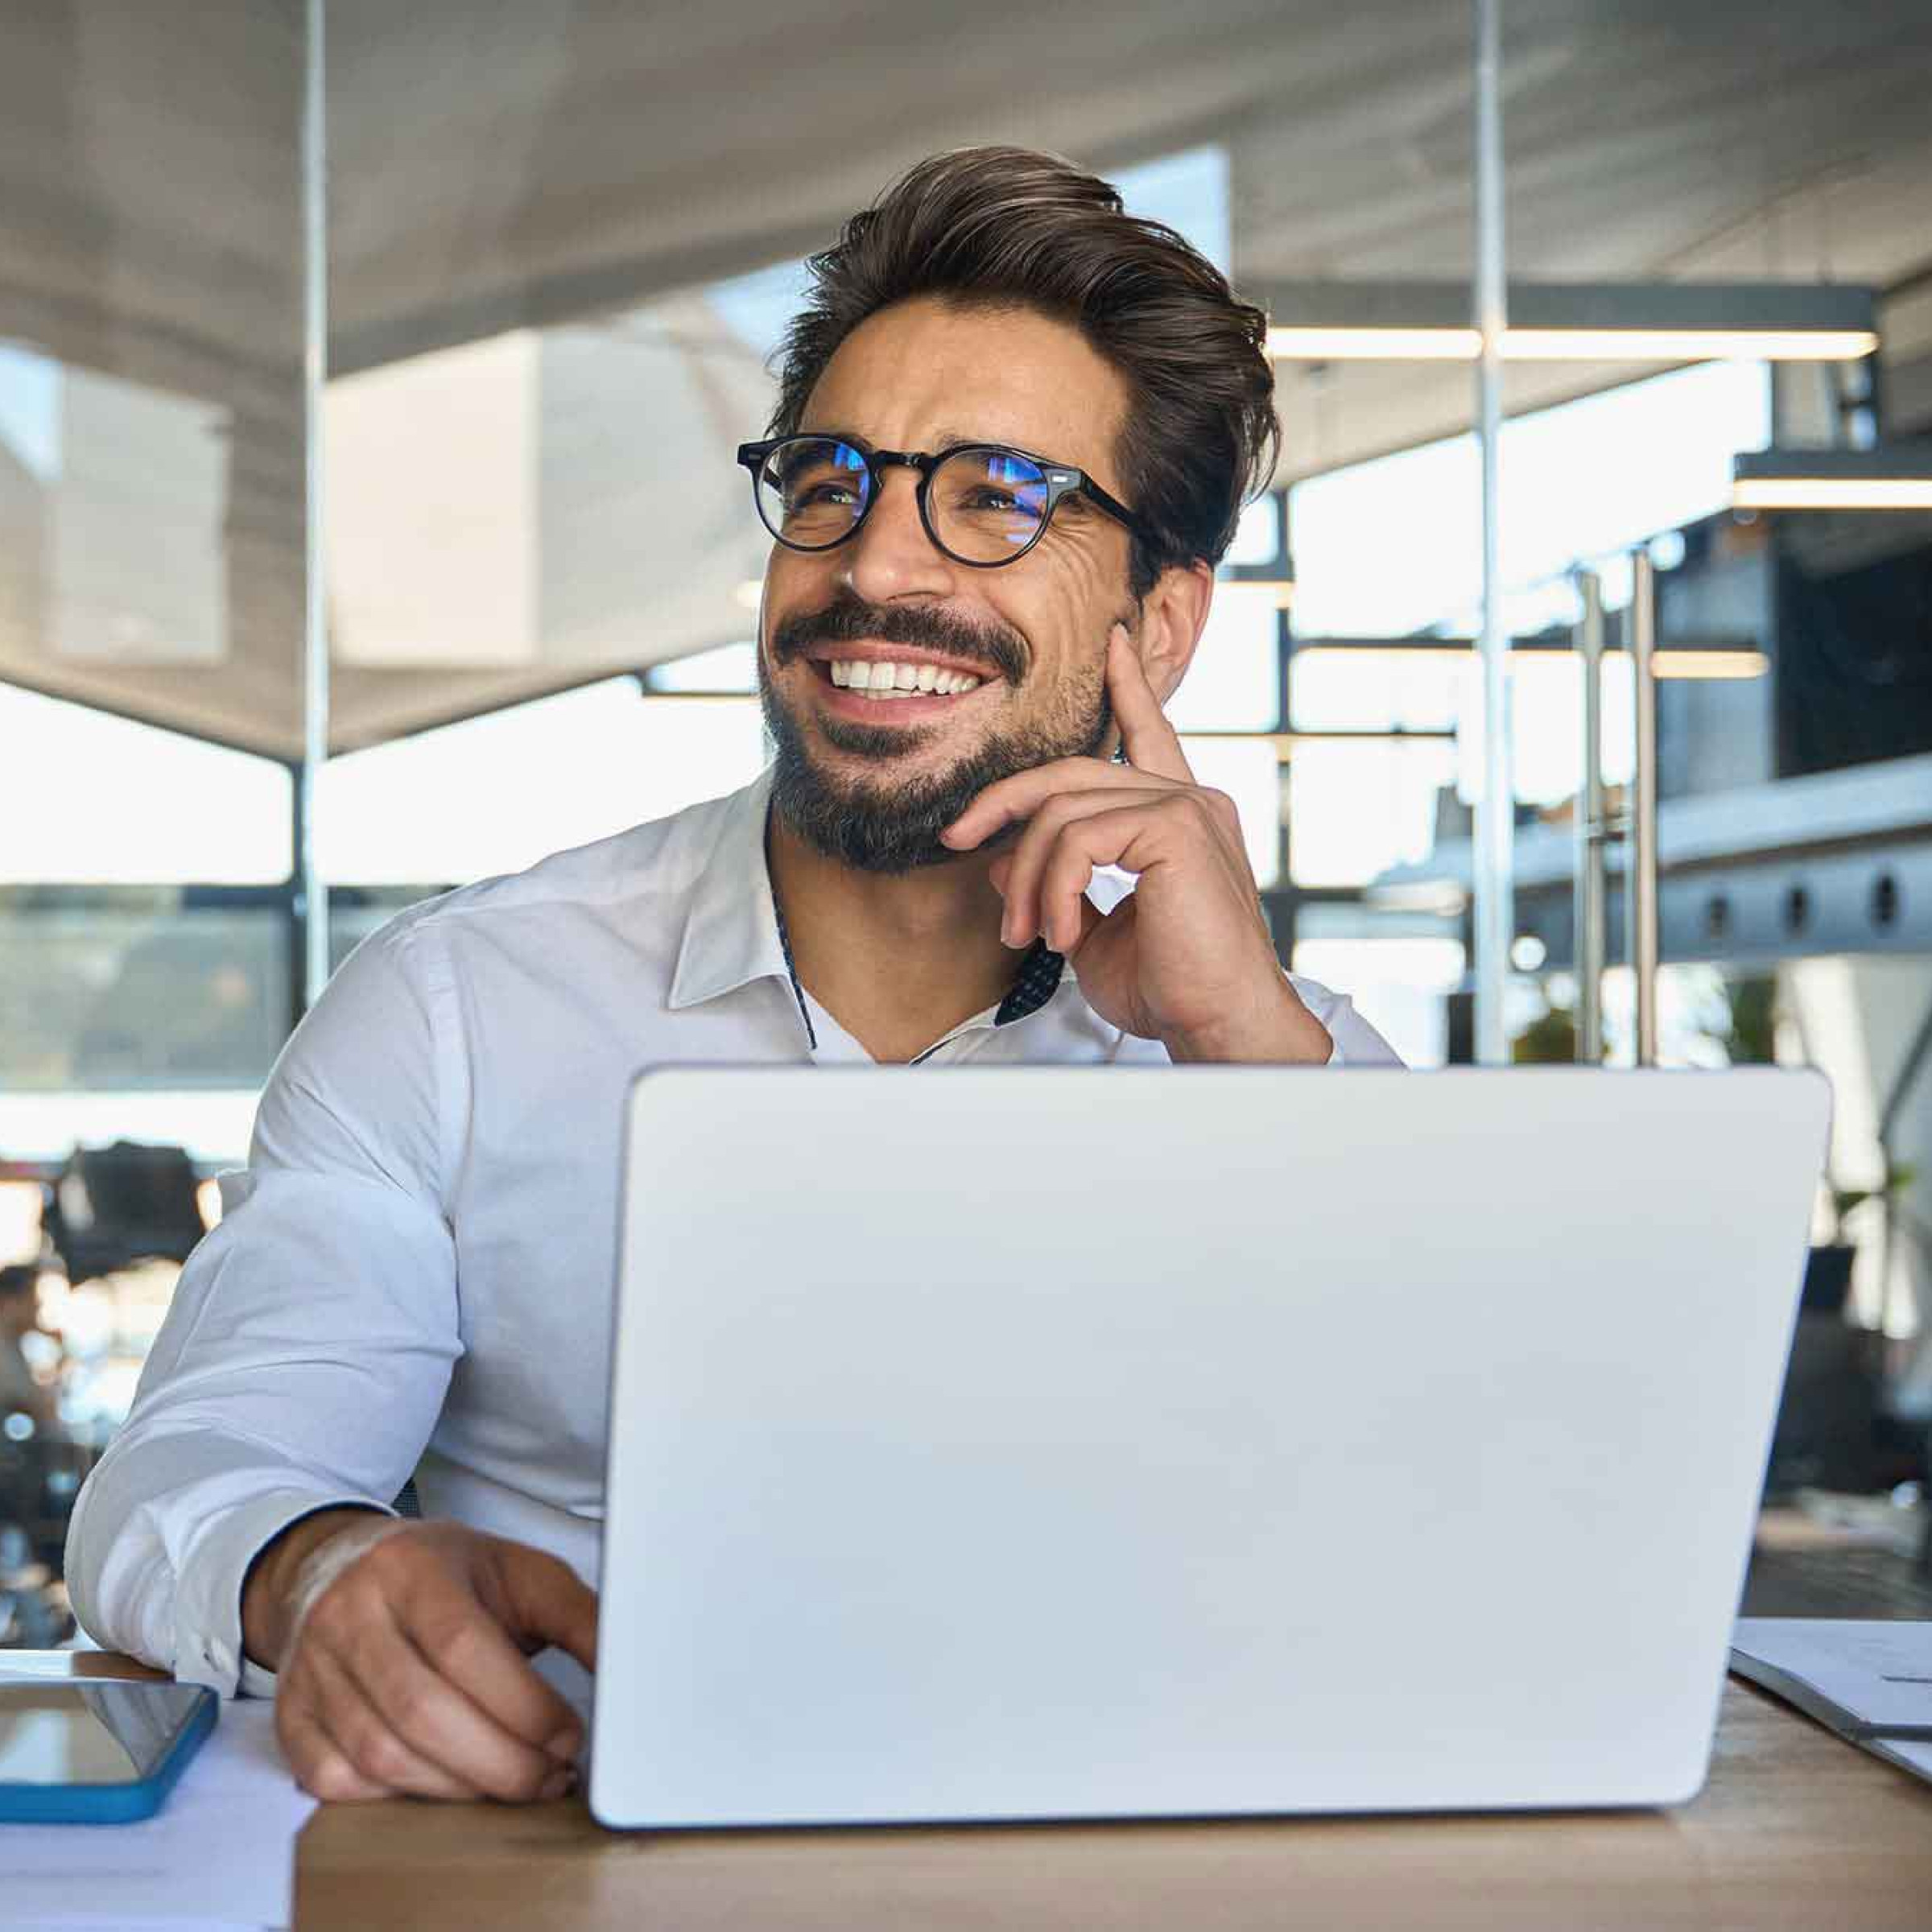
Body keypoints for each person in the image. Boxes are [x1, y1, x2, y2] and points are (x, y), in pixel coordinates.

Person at [68, 146, 1401, 1805]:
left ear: (1168, 622)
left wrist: (1238, 1043)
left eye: (994, 497)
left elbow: (1451, 1512)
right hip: (569, 1865)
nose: (877, 567)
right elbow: (185, 1475)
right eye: (834, 481)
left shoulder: (1288, 1064)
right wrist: (325, 1570)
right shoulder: (461, 1008)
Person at [0, 1263, 62, 1439]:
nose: (37, 1307)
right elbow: (44, 1413)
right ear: (9, 1302)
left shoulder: (14, 1346)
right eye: (32, 1299)